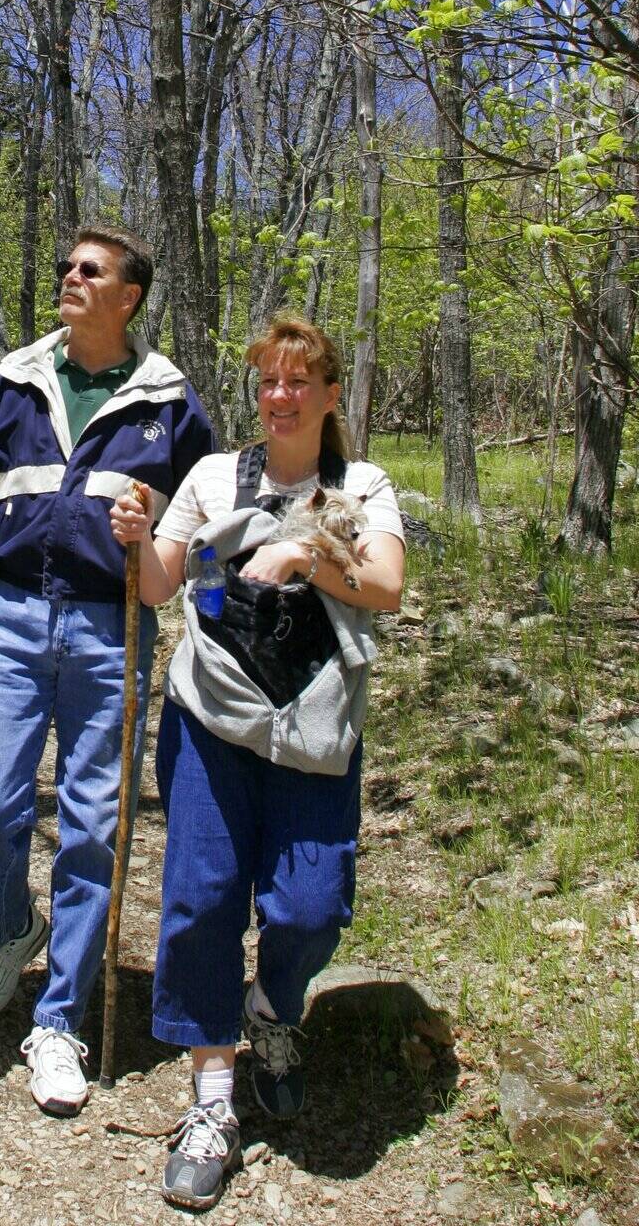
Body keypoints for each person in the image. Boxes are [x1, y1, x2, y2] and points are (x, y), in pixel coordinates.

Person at [111, 316, 404, 1211]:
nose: (280, 397)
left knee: (312, 907)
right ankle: (212, 1098)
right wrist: (140, 535)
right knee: (202, 898)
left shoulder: (361, 485)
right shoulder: (212, 477)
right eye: (268, 382)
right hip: (212, 718)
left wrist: (304, 553)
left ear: (329, 394)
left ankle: (273, 1009)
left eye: (298, 382)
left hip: (315, 729)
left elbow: (386, 586)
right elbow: (159, 586)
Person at [0, 224, 215, 1115]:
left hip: (111, 627)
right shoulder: (11, 380)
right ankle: (7, 931)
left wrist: (159, 547)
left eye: (90, 270)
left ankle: (60, 1021)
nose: (70, 277)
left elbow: (200, 514)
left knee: (94, 828)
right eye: (66, 267)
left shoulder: (170, 401)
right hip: (10, 613)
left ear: (129, 296)